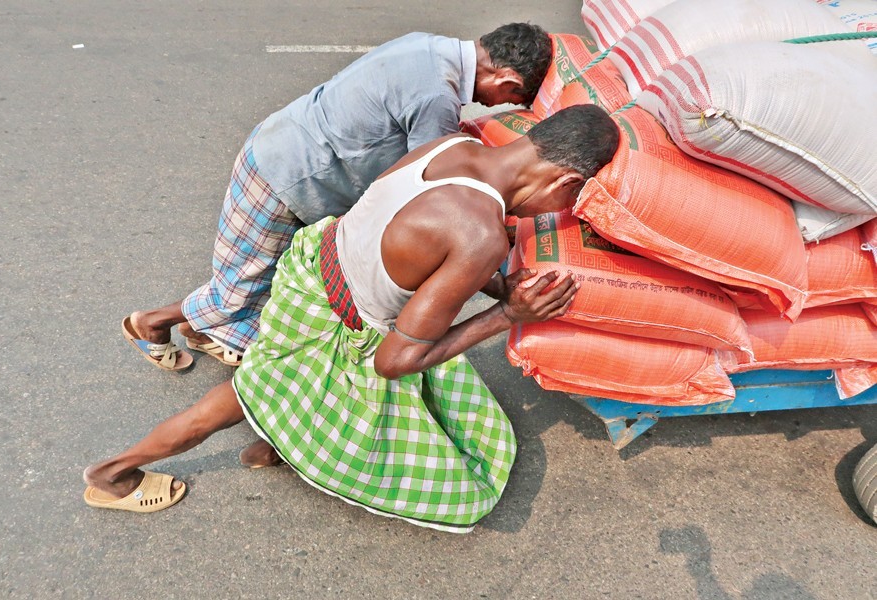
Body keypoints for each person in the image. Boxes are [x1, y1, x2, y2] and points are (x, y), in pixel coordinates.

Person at [84, 104, 620, 532]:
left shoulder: (452, 147)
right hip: (337, 326)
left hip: (312, 277)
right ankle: (111, 475)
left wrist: (500, 282)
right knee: (226, 405)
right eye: (571, 201)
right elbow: (394, 361)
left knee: (284, 385)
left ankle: (276, 443)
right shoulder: (479, 234)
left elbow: (417, 238)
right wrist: (507, 313)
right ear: (564, 183)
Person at [121, 23, 554, 371]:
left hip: (285, 147)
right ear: (507, 79)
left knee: (260, 276)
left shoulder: (428, 46)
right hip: (287, 177)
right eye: (509, 100)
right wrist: (500, 281)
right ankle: (150, 323)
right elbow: (440, 188)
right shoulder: (436, 98)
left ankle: (202, 332)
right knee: (238, 290)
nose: (496, 106)